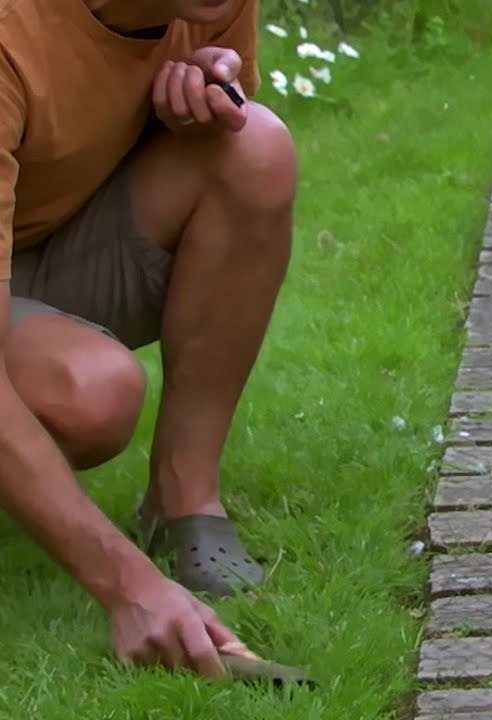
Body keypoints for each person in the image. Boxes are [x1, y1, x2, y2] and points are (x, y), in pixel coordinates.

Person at [0, 0, 295, 677]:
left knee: (254, 143)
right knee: (91, 399)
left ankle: (182, 499)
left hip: (48, 239)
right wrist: (125, 585)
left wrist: (186, 105)